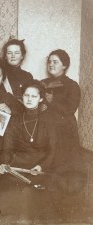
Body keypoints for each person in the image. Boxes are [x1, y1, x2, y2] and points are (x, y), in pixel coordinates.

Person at [0, 79, 57, 224]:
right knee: (7, 193)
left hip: (40, 168)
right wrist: (5, 164)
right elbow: (7, 147)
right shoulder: (15, 120)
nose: (29, 99)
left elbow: (53, 150)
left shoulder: (48, 120)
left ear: (41, 99)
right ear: (21, 97)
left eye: (34, 96)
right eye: (26, 96)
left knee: (30, 195)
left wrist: (41, 166)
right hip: (17, 167)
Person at [41, 49, 85, 213]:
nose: (51, 65)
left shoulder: (72, 85)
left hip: (64, 134)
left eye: (55, 62)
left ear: (64, 66)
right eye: (49, 61)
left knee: (62, 169)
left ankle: (61, 209)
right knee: (46, 166)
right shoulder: (41, 83)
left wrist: (51, 102)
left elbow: (70, 109)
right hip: (45, 131)